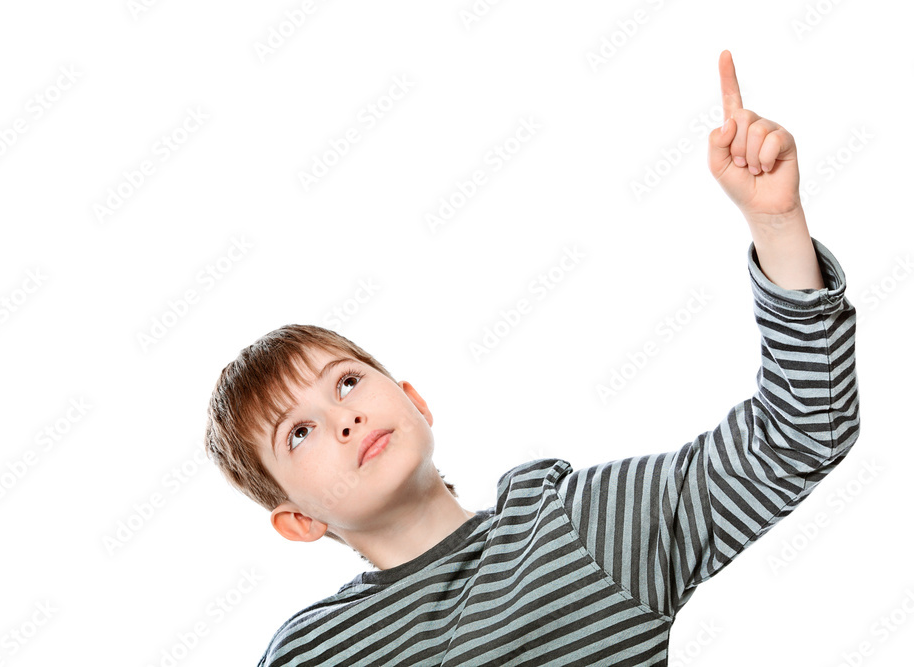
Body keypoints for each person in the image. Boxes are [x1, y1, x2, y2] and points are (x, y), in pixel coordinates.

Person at [203, 50, 861, 666]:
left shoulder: (577, 526)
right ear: (299, 520)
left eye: (346, 383)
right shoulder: (313, 651)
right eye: (299, 432)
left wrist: (777, 225)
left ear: (414, 401)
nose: (342, 419)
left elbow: (800, 435)